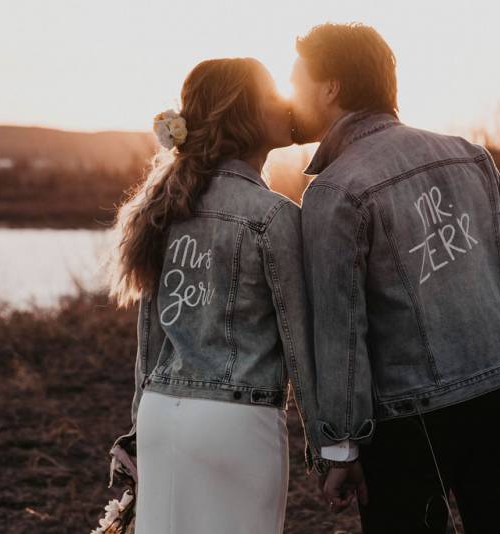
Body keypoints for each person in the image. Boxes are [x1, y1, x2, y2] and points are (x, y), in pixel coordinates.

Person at [290, 23, 500, 533]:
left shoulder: (335, 192)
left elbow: (341, 331)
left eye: (297, 81)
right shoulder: (468, 154)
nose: (291, 96)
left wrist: (340, 445)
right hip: (496, 391)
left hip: (406, 420)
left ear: (330, 88)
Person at [105, 57, 321, 534]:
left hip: (161, 412)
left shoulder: (165, 208)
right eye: (272, 97)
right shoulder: (274, 216)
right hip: (237, 423)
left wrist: (139, 429)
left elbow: (151, 339)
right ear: (245, 116)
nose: (284, 103)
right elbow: (301, 342)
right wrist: (331, 444)